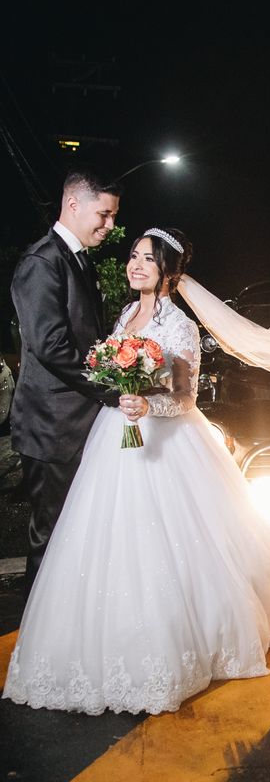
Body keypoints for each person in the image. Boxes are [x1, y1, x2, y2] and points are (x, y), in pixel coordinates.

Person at [3, 227, 270, 715]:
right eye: (133, 256)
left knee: (172, 541)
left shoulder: (180, 327)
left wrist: (148, 404)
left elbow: (185, 396)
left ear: (170, 272)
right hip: (115, 437)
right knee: (104, 537)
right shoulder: (125, 315)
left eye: (148, 259)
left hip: (166, 443)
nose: (135, 265)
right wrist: (120, 391)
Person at [10, 168, 122, 595]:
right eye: (104, 214)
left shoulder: (78, 259)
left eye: (113, 216)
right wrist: (110, 388)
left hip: (77, 424)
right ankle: (33, 627)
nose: (109, 225)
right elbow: (50, 345)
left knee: (78, 534)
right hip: (52, 426)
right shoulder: (42, 262)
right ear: (73, 204)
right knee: (52, 536)